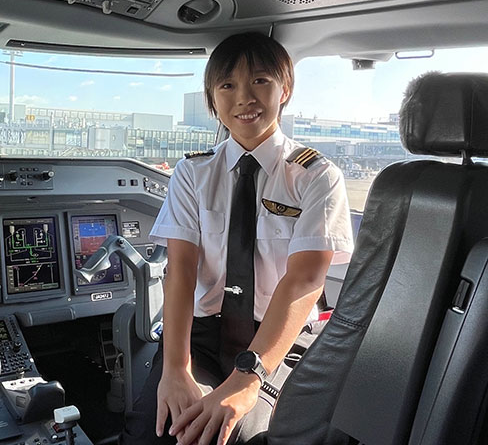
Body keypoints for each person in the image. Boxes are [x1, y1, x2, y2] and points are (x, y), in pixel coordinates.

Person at [121, 32, 354, 445]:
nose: (244, 97)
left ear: (285, 90)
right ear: (212, 98)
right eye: (227, 85)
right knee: (156, 431)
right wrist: (176, 369)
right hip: (203, 335)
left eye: (260, 81)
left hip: (277, 338)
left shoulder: (317, 177)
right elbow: (181, 270)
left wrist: (250, 378)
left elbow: (303, 281)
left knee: (233, 435)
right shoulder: (193, 174)